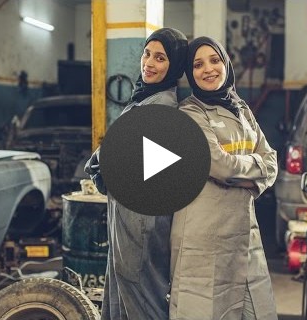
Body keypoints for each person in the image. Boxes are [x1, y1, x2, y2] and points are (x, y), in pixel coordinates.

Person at [169, 36, 278, 320]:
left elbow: (272, 161)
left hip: (244, 235)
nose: (208, 69)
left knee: (259, 311)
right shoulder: (190, 112)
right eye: (197, 64)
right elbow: (218, 165)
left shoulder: (241, 109)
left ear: (226, 63)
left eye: (214, 60)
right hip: (204, 238)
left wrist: (245, 174)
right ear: (190, 74)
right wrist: (252, 172)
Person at [84, 27, 188, 320]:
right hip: (129, 219)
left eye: (160, 58)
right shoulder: (144, 100)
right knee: (124, 298)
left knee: (142, 302)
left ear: (174, 67)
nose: (149, 64)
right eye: (147, 54)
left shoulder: (162, 107)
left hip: (141, 225)